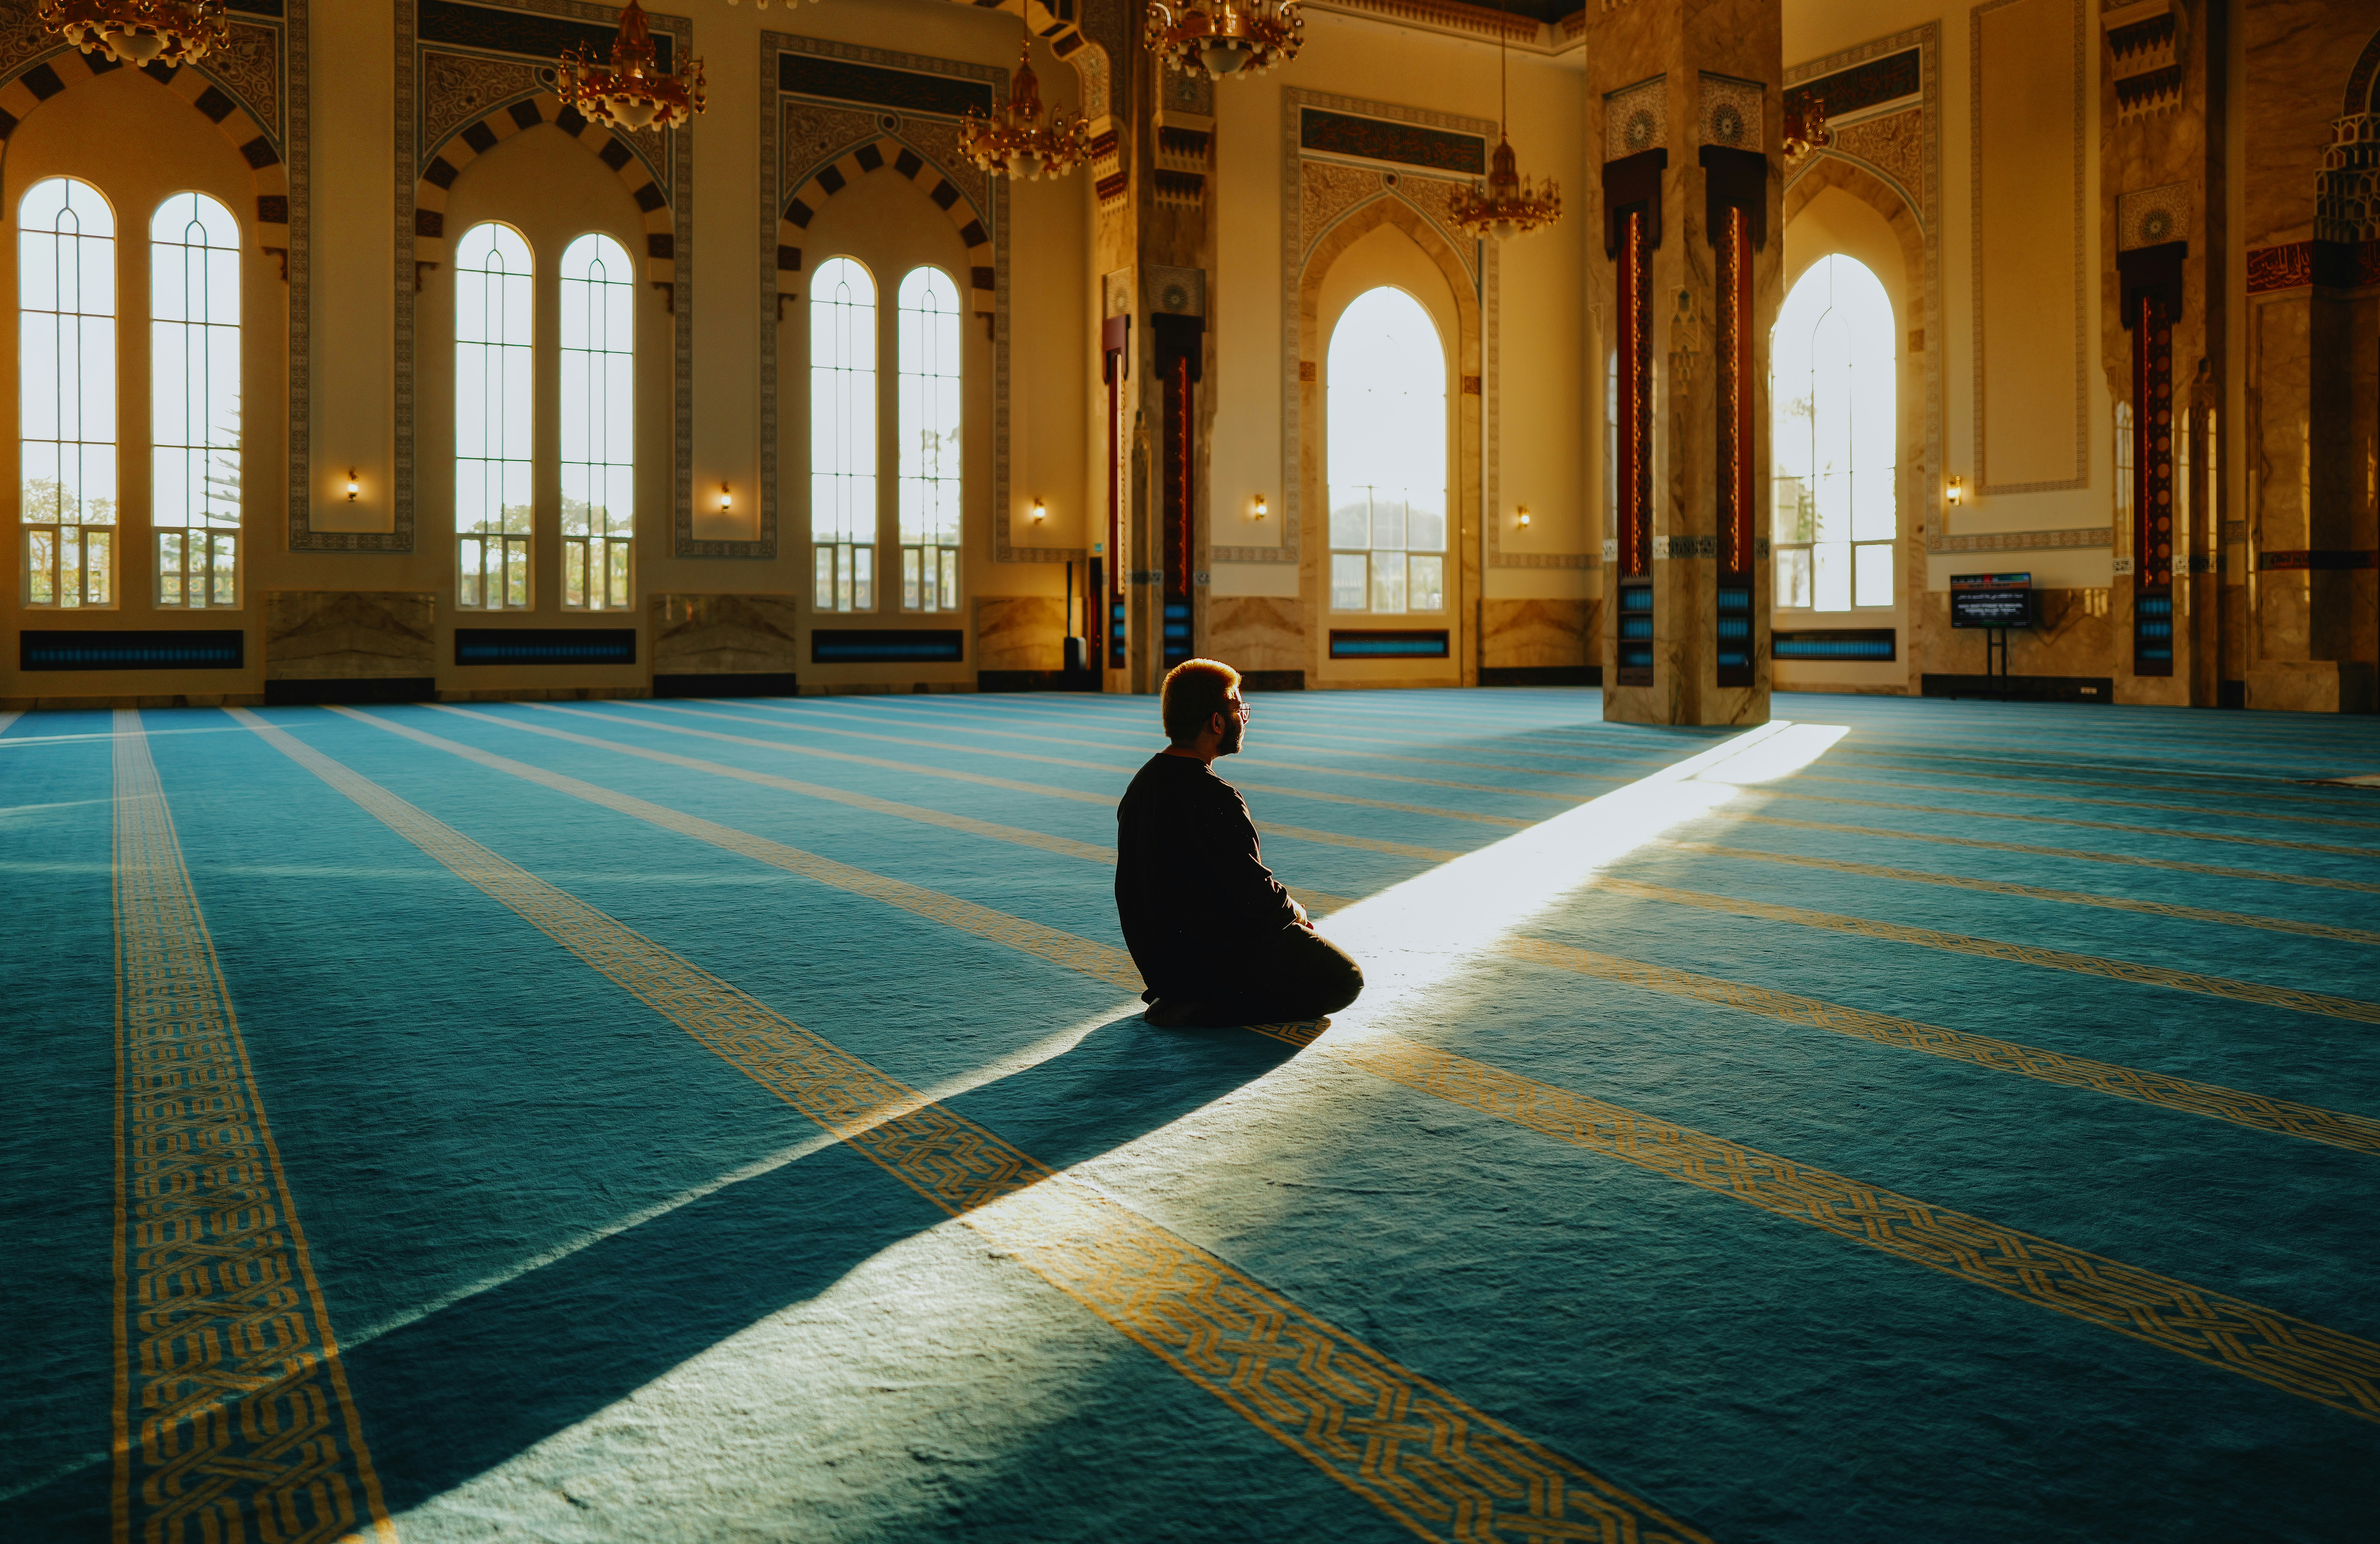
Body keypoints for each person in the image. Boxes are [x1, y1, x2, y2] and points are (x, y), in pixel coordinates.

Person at [1115, 658, 1365, 1028]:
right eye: (1238, 709)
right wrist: (1293, 911)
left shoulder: (1141, 785)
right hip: (1208, 963)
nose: (1244, 719)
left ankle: (1187, 996)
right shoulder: (1215, 797)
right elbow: (1254, 896)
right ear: (1216, 722)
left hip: (1162, 965)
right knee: (1346, 979)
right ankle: (1204, 1006)